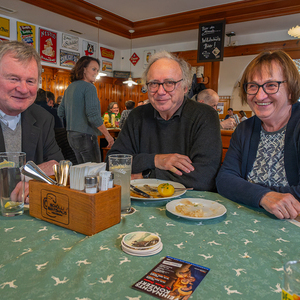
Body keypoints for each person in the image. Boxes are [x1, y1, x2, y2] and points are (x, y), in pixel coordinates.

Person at [107, 51, 222, 191]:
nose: (160, 91)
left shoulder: (205, 115)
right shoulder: (137, 115)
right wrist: (156, 160)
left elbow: (203, 178)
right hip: (141, 201)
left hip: (190, 206)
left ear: (185, 87)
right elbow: (113, 163)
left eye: (169, 83)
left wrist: (145, 175)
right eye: (154, 84)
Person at [216, 50, 300, 219]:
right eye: (253, 86)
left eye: (271, 85)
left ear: (290, 90)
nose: (260, 96)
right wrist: (263, 196)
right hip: (250, 218)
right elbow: (224, 180)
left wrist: (246, 189)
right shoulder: (244, 129)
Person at [0, 41, 64, 202]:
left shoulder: (42, 118)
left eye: (30, 81)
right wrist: (27, 175)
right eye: (14, 79)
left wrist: (35, 180)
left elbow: (59, 167)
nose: (23, 89)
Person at [58, 56, 114, 164]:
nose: (96, 73)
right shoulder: (89, 87)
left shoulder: (70, 87)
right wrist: (107, 135)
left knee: (82, 171)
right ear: (83, 69)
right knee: (94, 171)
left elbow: (60, 112)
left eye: (97, 70)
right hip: (86, 136)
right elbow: (93, 115)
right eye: (93, 69)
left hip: (71, 136)